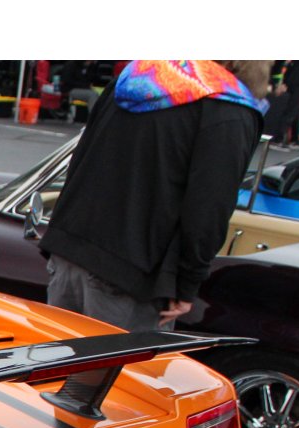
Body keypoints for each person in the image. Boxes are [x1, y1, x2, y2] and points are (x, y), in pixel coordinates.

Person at [41, 60, 269, 333]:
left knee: (58, 371)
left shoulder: (138, 76)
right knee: (126, 375)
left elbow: (79, 160)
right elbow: (209, 207)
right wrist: (188, 283)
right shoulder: (228, 107)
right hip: (130, 271)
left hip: (68, 250)